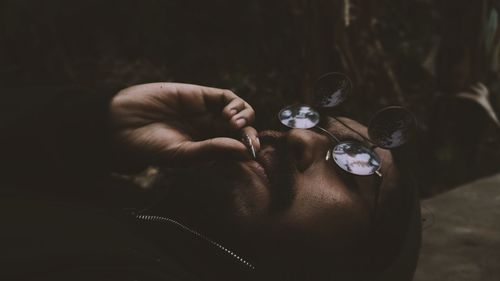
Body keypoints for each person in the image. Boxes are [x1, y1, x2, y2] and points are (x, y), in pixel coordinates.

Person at [0, 83, 420, 281]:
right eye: (313, 123)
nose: (298, 136)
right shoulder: (117, 205)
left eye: (355, 160)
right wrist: (93, 129)